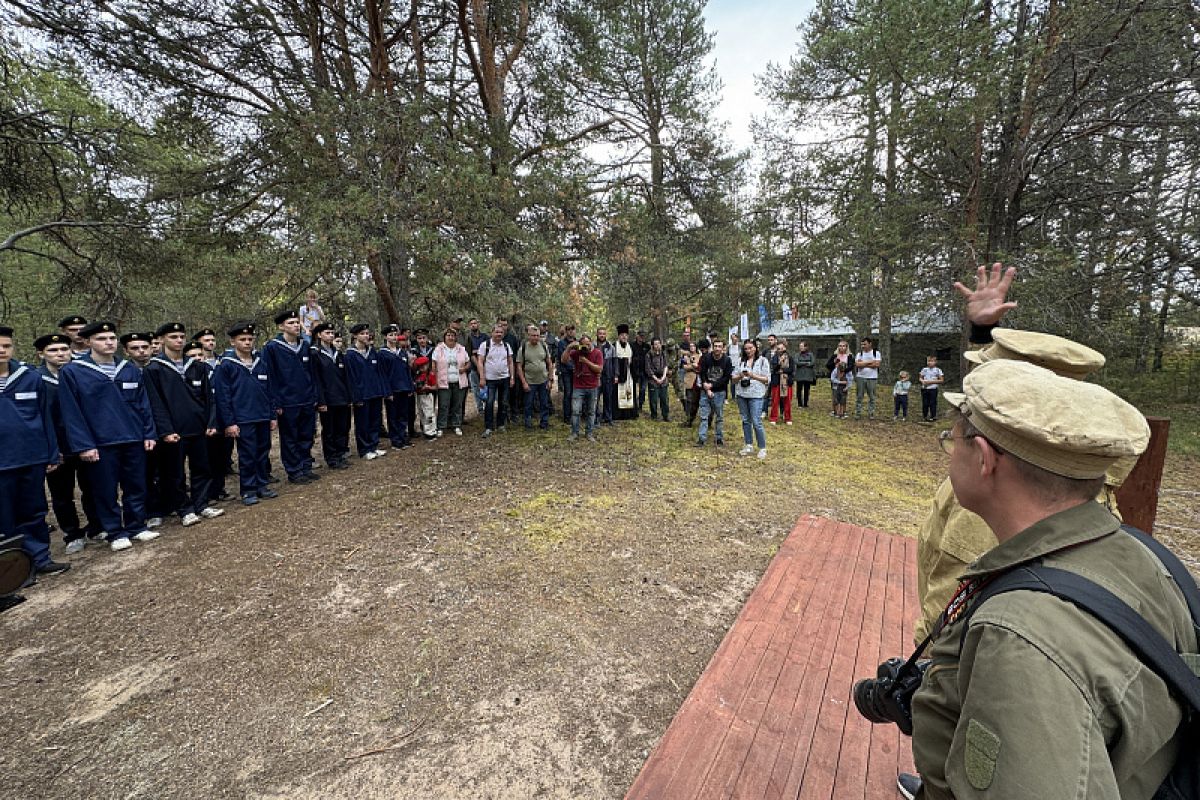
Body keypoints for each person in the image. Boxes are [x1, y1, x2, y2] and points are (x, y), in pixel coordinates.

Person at [904, 359, 1193, 800]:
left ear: (983, 458)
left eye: (951, 440)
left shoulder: (1021, 639)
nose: (949, 452)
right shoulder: (1145, 555)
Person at [58, 321, 160, 551]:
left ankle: (136, 526)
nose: (108, 343)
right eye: (102, 339)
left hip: (132, 437)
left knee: (136, 485)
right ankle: (114, 531)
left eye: (112, 338)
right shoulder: (73, 371)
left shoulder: (129, 368)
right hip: (101, 442)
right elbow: (71, 413)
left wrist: (148, 433)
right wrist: (84, 445)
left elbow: (143, 405)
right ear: (88, 342)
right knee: (105, 490)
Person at [0, 325, 69, 575]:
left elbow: (45, 418)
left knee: (34, 511)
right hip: (2, 463)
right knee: (4, 518)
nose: (2, 350)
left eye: (7, 346)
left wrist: (51, 452)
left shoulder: (29, 377)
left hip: (31, 457)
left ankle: (40, 558)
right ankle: (14, 572)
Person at [143, 322, 223, 527]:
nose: (178, 340)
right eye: (173, 337)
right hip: (174, 431)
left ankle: (201, 504)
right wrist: (166, 430)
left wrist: (211, 422)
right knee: (175, 473)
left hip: (199, 426)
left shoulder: (197, 365)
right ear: (161, 340)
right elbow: (155, 403)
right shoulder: (153, 368)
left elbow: (209, 397)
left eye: (181, 336)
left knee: (202, 467)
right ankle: (184, 508)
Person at [35, 332, 102, 554]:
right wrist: (51, 450)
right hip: (58, 448)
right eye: (53, 351)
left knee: (92, 487)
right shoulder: (37, 380)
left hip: (84, 443)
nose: (60, 354)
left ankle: (97, 526)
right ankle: (72, 533)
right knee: (62, 495)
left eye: (64, 349)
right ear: (41, 354)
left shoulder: (80, 374)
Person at [213, 322, 279, 506]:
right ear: (233, 342)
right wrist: (229, 422)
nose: (247, 343)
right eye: (243, 339)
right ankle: (248, 489)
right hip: (242, 418)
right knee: (247, 454)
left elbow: (269, 390)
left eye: (250, 339)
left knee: (262, 452)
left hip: (262, 416)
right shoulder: (226, 365)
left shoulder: (260, 362)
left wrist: (272, 415)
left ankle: (262, 485)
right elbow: (223, 396)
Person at [262, 310, 320, 485]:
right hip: (287, 401)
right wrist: (276, 403)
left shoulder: (304, 345)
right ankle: (294, 470)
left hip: (306, 398)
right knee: (290, 437)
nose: (296, 326)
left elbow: (312, 373)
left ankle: (306, 466)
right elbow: (270, 377)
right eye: (291, 323)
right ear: (281, 326)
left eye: (297, 322)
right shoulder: (272, 347)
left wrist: (314, 395)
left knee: (307, 434)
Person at [195, 327, 233, 502]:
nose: (210, 343)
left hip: (223, 413)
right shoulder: (195, 364)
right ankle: (208, 493)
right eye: (206, 341)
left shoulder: (222, 361)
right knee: (208, 456)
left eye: (212, 340)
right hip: (205, 416)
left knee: (223, 454)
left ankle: (219, 488)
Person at [310, 322, 354, 468]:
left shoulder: (338, 353)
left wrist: (348, 396)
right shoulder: (315, 353)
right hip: (327, 399)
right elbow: (316, 379)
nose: (330, 335)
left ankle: (341, 453)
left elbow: (345, 376)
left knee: (342, 427)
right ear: (319, 335)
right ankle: (332, 457)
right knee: (329, 430)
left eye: (332, 333)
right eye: (327, 333)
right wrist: (320, 401)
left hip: (341, 397)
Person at [343, 323, 387, 459]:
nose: (366, 336)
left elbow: (379, 373)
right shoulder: (350, 355)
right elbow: (350, 378)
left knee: (375, 420)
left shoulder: (372, 351)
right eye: (362, 333)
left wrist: (381, 390)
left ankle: (374, 445)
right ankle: (364, 449)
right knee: (363, 423)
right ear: (355, 336)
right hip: (362, 395)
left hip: (375, 392)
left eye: (367, 333)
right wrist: (356, 397)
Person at [378, 325, 415, 450]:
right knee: (393, 416)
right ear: (385, 337)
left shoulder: (402, 352)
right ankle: (395, 440)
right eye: (390, 335)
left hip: (404, 388)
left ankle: (403, 437)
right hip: (392, 390)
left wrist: (410, 387)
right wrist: (387, 392)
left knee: (403, 414)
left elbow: (407, 371)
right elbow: (382, 374)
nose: (393, 337)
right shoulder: (382, 353)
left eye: (395, 335)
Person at [733, 339, 771, 459]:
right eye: (746, 348)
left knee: (756, 421)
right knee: (745, 420)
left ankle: (762, 447)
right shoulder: (740, 361)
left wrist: (752, 376)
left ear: (755, 348)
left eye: (751, 348)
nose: (748, 350)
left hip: (756, 395)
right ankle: (748, 444)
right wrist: (740, 375)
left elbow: (767, 379)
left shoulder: (763, 361)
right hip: (742, 394)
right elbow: (733, 379)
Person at [476, 324, 514, 438]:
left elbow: (510, 361)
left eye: (501, 332)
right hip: (490, 380)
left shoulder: (506, 346)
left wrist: (512, 377)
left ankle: (501, 424)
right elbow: (480, 362)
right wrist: (482, 377)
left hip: (505, 378)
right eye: (497, 332)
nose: (499, 334)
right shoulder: (485, 345)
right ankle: (488, 427)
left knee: (503, 402)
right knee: (489, 402)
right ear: (492, 333)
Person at [564, 334, 603, 441]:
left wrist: (586, 361)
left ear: (591, 342)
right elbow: (563, 360)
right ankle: (574, 433)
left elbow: (599, 369)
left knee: (591, 411)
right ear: (580, 345)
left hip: (592, 386)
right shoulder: (577, 352)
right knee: (576, 411)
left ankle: (589, 433)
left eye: (588, 344)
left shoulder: (597, 352)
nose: (586, 347)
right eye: (583, 345)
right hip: (578, 386)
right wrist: (569, 348)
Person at [695, 338, 732, 447]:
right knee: (704, 416)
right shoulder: (706, 358)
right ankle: (702, 439)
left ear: (723, 348)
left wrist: (712, 386)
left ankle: (719, 438)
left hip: (719, 392)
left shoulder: (727, 360)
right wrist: (707, 387)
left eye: (719, 346)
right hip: (705, 390)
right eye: (715, 346)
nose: (717, 349)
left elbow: (726, 378)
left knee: (719, 416)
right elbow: (702, 373)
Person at [515, 324, 553, 430]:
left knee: (544, 403)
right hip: (530, 381)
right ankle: (528, 423)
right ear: (529, 335)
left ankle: (544, 423)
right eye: (533, 335)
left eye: (537, 335)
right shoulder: (523, 348)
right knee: (528, 404)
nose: (535, 338)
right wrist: (523, 382)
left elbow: (549, 363)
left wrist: (550, 379)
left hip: (543, 380)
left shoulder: (543, 346)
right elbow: (519, 366)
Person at [433, 328, 469, 435]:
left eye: (453, 335)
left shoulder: (461, 348)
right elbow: (434, 363)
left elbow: (468, 362)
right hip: (444, 381)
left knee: (457, 404)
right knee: (443, 405)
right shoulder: (439, 349)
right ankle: (441, 426)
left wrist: (465, 368)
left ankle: (456, 425)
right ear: (444, 337)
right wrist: (434, 378)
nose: (451, 337)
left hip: (459, 380)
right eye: (448, 335)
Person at [611, 324, 639, 420]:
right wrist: (623, 361)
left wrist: (631, 361)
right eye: (622, 335)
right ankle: (618, 415)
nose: (624, 337)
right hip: (618, 375)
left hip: (629, 374)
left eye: (626, 335)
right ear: (618, 336)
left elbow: (636, 359)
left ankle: (629, 414)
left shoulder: (631, 346)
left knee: (630, 393)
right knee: (617, 394)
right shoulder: (613, 346)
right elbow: (612, 361)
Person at [465, 317, 488, 416]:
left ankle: (488, 407)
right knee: (476, 389)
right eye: (471, 324)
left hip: (486, 367)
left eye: (475, 323)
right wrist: (478, 365)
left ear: (478, 324)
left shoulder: (485, 337)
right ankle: (480, 409)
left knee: (487, 388)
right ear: (469, 326)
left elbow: (487, 350)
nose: (473, 325)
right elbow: (469, 353)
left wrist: (477, 351)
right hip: (474, 369)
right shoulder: (468, 338)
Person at [853, 336, 881, 418]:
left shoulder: (876, 353)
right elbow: (858, 365)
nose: (863, 346)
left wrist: (863, 363)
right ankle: (858, 413)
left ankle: (871, 413)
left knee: (872, 396)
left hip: (872, 378)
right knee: (859, 396)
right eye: (862, 344)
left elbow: (877, 364)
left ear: (870, 344)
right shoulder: (859, 354)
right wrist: (871, 362)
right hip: (860, 377)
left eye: (865, 344)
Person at [411, 355, 438, 439]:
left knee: (429, 413)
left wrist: (428, 387)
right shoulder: (417, 374)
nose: (422, 368)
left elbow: (436, 387)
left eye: (424, 366)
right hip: (419, 396)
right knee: (421, 412)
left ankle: (432, 431)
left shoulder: (430, 374)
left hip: (427, 395)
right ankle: (425, 429)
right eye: (420, 367)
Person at [644, 336, 670, 421]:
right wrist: (656, 379)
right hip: (653, 380)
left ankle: (665, 415)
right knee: (653, 400)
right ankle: (654, 416)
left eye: (659, 343)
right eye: (655, 344)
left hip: (663, 379)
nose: (657, 345)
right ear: (652, 345)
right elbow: (648, 369)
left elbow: (666, 366)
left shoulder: (663, 353)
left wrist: (663, 377)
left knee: (664, 399)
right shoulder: (649, 355)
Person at [555, 324, 577, 424]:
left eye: (572, 330)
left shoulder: (578, 342)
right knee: (568, 393)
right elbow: (562, 358)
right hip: (566, 372)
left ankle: (576, 414)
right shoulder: (561, 343)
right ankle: (567, 416)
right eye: (569, 330)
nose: (571, 332)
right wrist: (572, 367)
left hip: (577, 372)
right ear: (566, 331)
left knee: (577, 394)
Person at [768, 340, 794, 425]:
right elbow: (774, 369)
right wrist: (779, 362)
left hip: (787, 382)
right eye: (778, 349)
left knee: (787, 401)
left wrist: (782, 371)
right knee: (775, 401)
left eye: (781, 348)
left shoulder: (790, 358)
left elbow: (791, 369)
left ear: (785, 348)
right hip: (776, 382)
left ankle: (788, 418)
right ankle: (773, 418)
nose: (780, 350)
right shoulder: (774, 357)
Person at [826, 340, 853, 417]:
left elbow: (851, 366)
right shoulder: (835, 355)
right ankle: (834, 411)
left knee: (843, 395)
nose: (842, 347)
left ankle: (843, 411)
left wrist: (843, 371)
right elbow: (828, 365)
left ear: (846, 347)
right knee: (835, 395)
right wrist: (834, 362)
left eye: (843, 346)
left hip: (845, 377)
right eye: (840, 346)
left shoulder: (849, 356)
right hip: (835, 376)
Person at [596, 327, 616, 424]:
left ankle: (608, 417)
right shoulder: (593, 346)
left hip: (608, 376)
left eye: (603, 333)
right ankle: (596, 418)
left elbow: (614, 362)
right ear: (597, 334)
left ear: (606, 335)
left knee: (608, 398)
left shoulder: (611, 347)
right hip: (596, 377)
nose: (602, 335)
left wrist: (615, 375)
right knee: (595, 398)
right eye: (600, 333)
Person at [679, 340, 702, 426]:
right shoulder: (686, 357)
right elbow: (684, 367)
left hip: (698, 380)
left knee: (697, 400)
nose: (692, 347)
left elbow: (700, 367)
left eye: (693, 346)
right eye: (691, 346)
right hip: (688, 380)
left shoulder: (699, 356)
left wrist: (693, 367)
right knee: (689, 399)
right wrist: (693, 366)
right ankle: (688, 416)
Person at [919, 355, 945, 422]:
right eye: (928, 361)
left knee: (932, 403)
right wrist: (923, 381)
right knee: (925, 403)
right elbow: (920, 378)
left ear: (935, 362)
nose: (930, 362)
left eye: (932, 361)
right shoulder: (924, 369)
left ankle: (933, 416)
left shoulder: (938, 370)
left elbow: (941, 380)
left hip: (933, 389)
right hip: (924, 389)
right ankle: (924, 416)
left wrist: (931, 382)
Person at [631, 330, 650, 413]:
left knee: (642, 389)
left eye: (643, 336)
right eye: (640, 336)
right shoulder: (631, 345)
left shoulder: (647, 346)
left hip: (645, 371)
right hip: (634, 371)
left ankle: (640, 405)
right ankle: (633, 405)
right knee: (633, 389)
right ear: (637, 336)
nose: (642, 338)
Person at [793, 340, 815, 409]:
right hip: (799, 375)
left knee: (806, 390)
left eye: (802, 346)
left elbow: (812, 363)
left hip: (808, 375)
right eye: (800, 346)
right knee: (799, 390)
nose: (801, 348)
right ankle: (800, 403)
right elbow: (797, 362)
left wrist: (802, 363)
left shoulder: (810, 354)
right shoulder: (797, 355)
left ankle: (805, 403)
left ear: (806, 347)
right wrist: (806, 363)